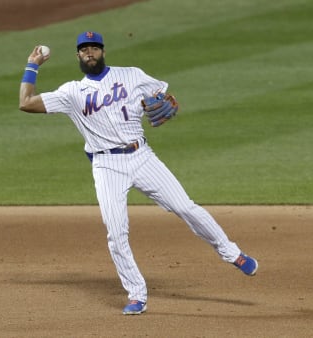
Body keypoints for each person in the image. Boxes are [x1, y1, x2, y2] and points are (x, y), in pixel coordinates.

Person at [19, 31, 258, 315]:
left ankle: (233, 254)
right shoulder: (71, 92)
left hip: (142, 157)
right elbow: (26, 102)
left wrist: (159, 100)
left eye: (95, 48)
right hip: (107, 166)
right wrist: (32, 66)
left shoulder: (131, 75)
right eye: (85, 49)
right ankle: (136, 294)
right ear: (78, 55)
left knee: (185, 206)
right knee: (116, 232)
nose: (90, 53)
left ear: (103, 52)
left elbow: (160, 92)